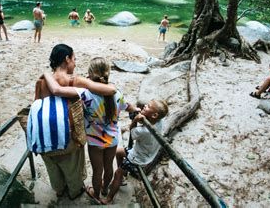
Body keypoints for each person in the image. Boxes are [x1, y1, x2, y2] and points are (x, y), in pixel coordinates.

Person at [43, 57, 140, 204]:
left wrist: (46, 74)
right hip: (112, 138)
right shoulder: (117, 93)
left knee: (97, 171)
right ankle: (105, 190)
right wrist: (137, 110)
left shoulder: (85, 93)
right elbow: (128, 107)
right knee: (108, 168)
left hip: (95, 140)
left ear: (90, 73)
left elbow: (58, 91)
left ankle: (96, 193)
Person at [33, 44, 118, 201]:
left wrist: (46, 74)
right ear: (67, 59)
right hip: (69, 135)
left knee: (53, 166)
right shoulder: (75, 80)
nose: (75, 63)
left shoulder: (41, 81)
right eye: (74, 59)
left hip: (47, 136)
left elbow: (37, 106)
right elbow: (109, 90)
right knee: (72, 166)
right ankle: (74, 193)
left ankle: (59, 190)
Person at [101, 99, 169, 205]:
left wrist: (135, 120)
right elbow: (152, 117)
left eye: (148, 106)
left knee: (117, 173)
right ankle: (123, 176)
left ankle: (109, 198)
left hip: (138, 157)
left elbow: (132, 133)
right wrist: (145, 115)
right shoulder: (159, 122)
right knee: (118, 152)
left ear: (154, 115)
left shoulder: (144, 132)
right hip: (146, 153)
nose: (145, 105)